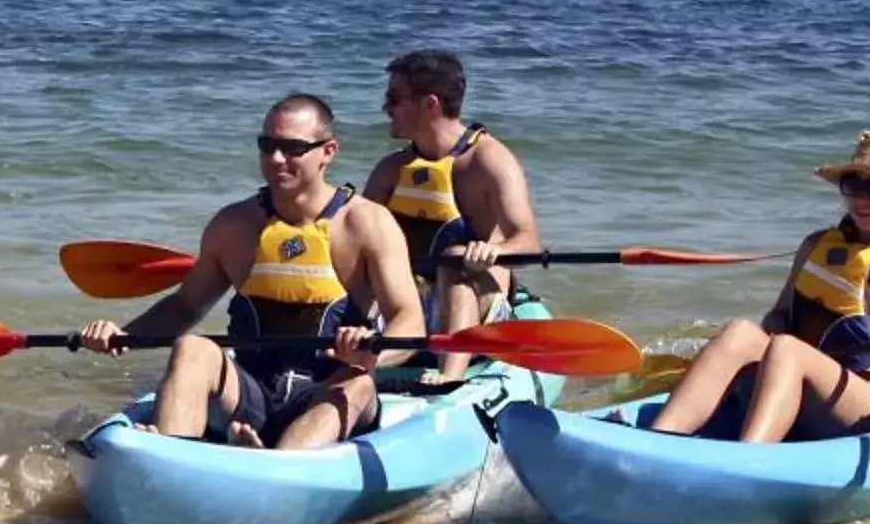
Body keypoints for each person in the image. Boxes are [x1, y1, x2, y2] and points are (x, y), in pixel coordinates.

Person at [72, 95, 424, 449]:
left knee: (358, 382)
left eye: (293, 148)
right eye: (267, 145)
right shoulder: (233, 225)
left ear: (328, 151)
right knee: (193, 348)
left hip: (327, 391)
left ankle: (278, 467)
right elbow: (185, 307)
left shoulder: (367, 224)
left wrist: (374, 353)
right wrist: (122, 336)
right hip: (250, 391)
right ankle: (172, 453)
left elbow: (409, 319)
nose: (276, 159)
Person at [647, 130, 870, 443]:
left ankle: (750, 459)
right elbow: (779, 316)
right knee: (739, 332)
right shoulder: (815, 246)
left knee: (789, 349)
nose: (862, 199)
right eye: (853, 185)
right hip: (799, 388)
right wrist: (769, 337)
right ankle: (657, 441)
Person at [360, 50, 539, 380]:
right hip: (409, 306)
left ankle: (450, 377)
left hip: (475, 301)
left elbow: (528, 242)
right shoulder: (391, 169)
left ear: (430, 104)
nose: (386, 108)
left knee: (454, 260)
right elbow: (353, 240)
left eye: (394, 98)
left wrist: (494, 251)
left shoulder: (488, 161)